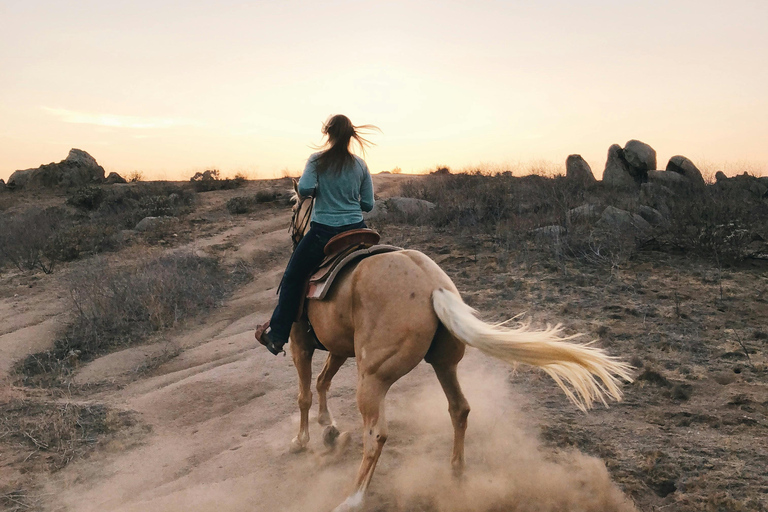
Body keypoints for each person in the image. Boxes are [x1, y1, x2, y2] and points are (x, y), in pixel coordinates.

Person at [257, 115, 377, 355]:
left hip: (325, 232)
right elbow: (369, 204)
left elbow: (303, 190)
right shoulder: (361, 165)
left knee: (292, 276)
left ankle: (278, 335)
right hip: (359, 231)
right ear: (351, 136)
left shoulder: (316, 160)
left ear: (328, 134)